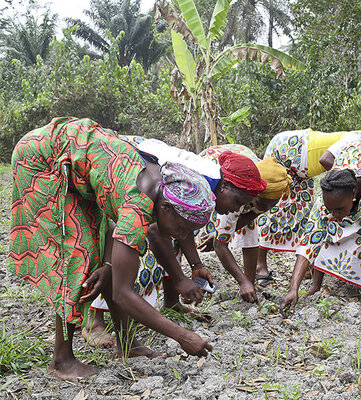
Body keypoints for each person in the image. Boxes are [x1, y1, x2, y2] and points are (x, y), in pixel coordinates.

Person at [8, 117, 216, 381]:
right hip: (42, 160)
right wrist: (182, 336)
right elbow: (123, 293)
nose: (182, 235)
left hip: (75, 163)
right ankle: (62, 360)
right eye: (182, 227)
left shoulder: (158, 184)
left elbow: (109, 228)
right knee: (76, 255)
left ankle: (127, 344)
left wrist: (107, 265)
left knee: (100, 258)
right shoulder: (138, 203)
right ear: (165, 208)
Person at [82, 139, 266, 347]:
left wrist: (196, 265)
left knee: (170, 238)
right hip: (120, 169)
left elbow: (182, 230)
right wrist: (179, 279)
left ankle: (167, 306)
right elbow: (155, 230)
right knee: (121, 256)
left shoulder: (206, 190)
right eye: (237, 202)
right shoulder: (197, 183)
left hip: (139, 182)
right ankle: (94, 321)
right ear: (224, 186)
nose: (236, 210)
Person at [256, 125, 361, 287]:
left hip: (311, 171)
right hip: (287, 149)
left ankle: (311, 270)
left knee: (302, 214)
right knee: (274, 208)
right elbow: (325, 160)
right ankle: (260, 266)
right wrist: (343, 189)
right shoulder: (355, 141)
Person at [280, 141, 361, 315]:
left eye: (339, 209)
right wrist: (293, 289)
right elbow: (308, 244)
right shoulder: (326, 199)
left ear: (354, 195)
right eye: (330, 208)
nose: (334, 214)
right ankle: (315, 285)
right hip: (349, 157)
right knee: (327, 232)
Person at [196, 144, 292, 303]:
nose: (266, 209)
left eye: (271, 205)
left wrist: (224, 232)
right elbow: (220, 245)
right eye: (263, 202)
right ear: (253, 195)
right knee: (196, 222)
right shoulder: (237, 192)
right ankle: (199, 279)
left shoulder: (273, 185)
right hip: (218, 168)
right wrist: (220, 236)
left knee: (250, 230)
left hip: (245, 165)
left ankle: (250, 285)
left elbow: (253, 214)